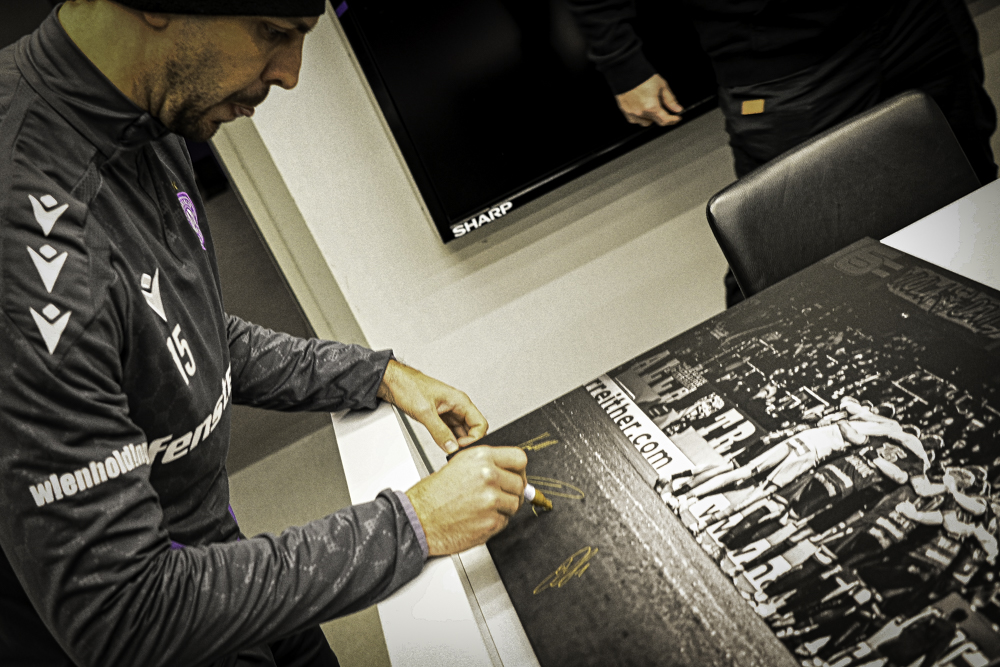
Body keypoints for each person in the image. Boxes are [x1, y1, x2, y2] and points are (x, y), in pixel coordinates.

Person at [0, 1, 530, 665]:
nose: (290, 73)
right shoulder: (25, 234)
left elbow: (177, 336)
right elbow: (125, 611)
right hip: (158, 623)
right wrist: (413, 524)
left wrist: (373, 374)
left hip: (217, 559)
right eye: (274, 32)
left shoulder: (151, 107)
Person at [567, 0, 998, 307]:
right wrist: (620, 59)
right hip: (781, 54)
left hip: (917, 15)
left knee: (968, 186)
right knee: (777, 259)